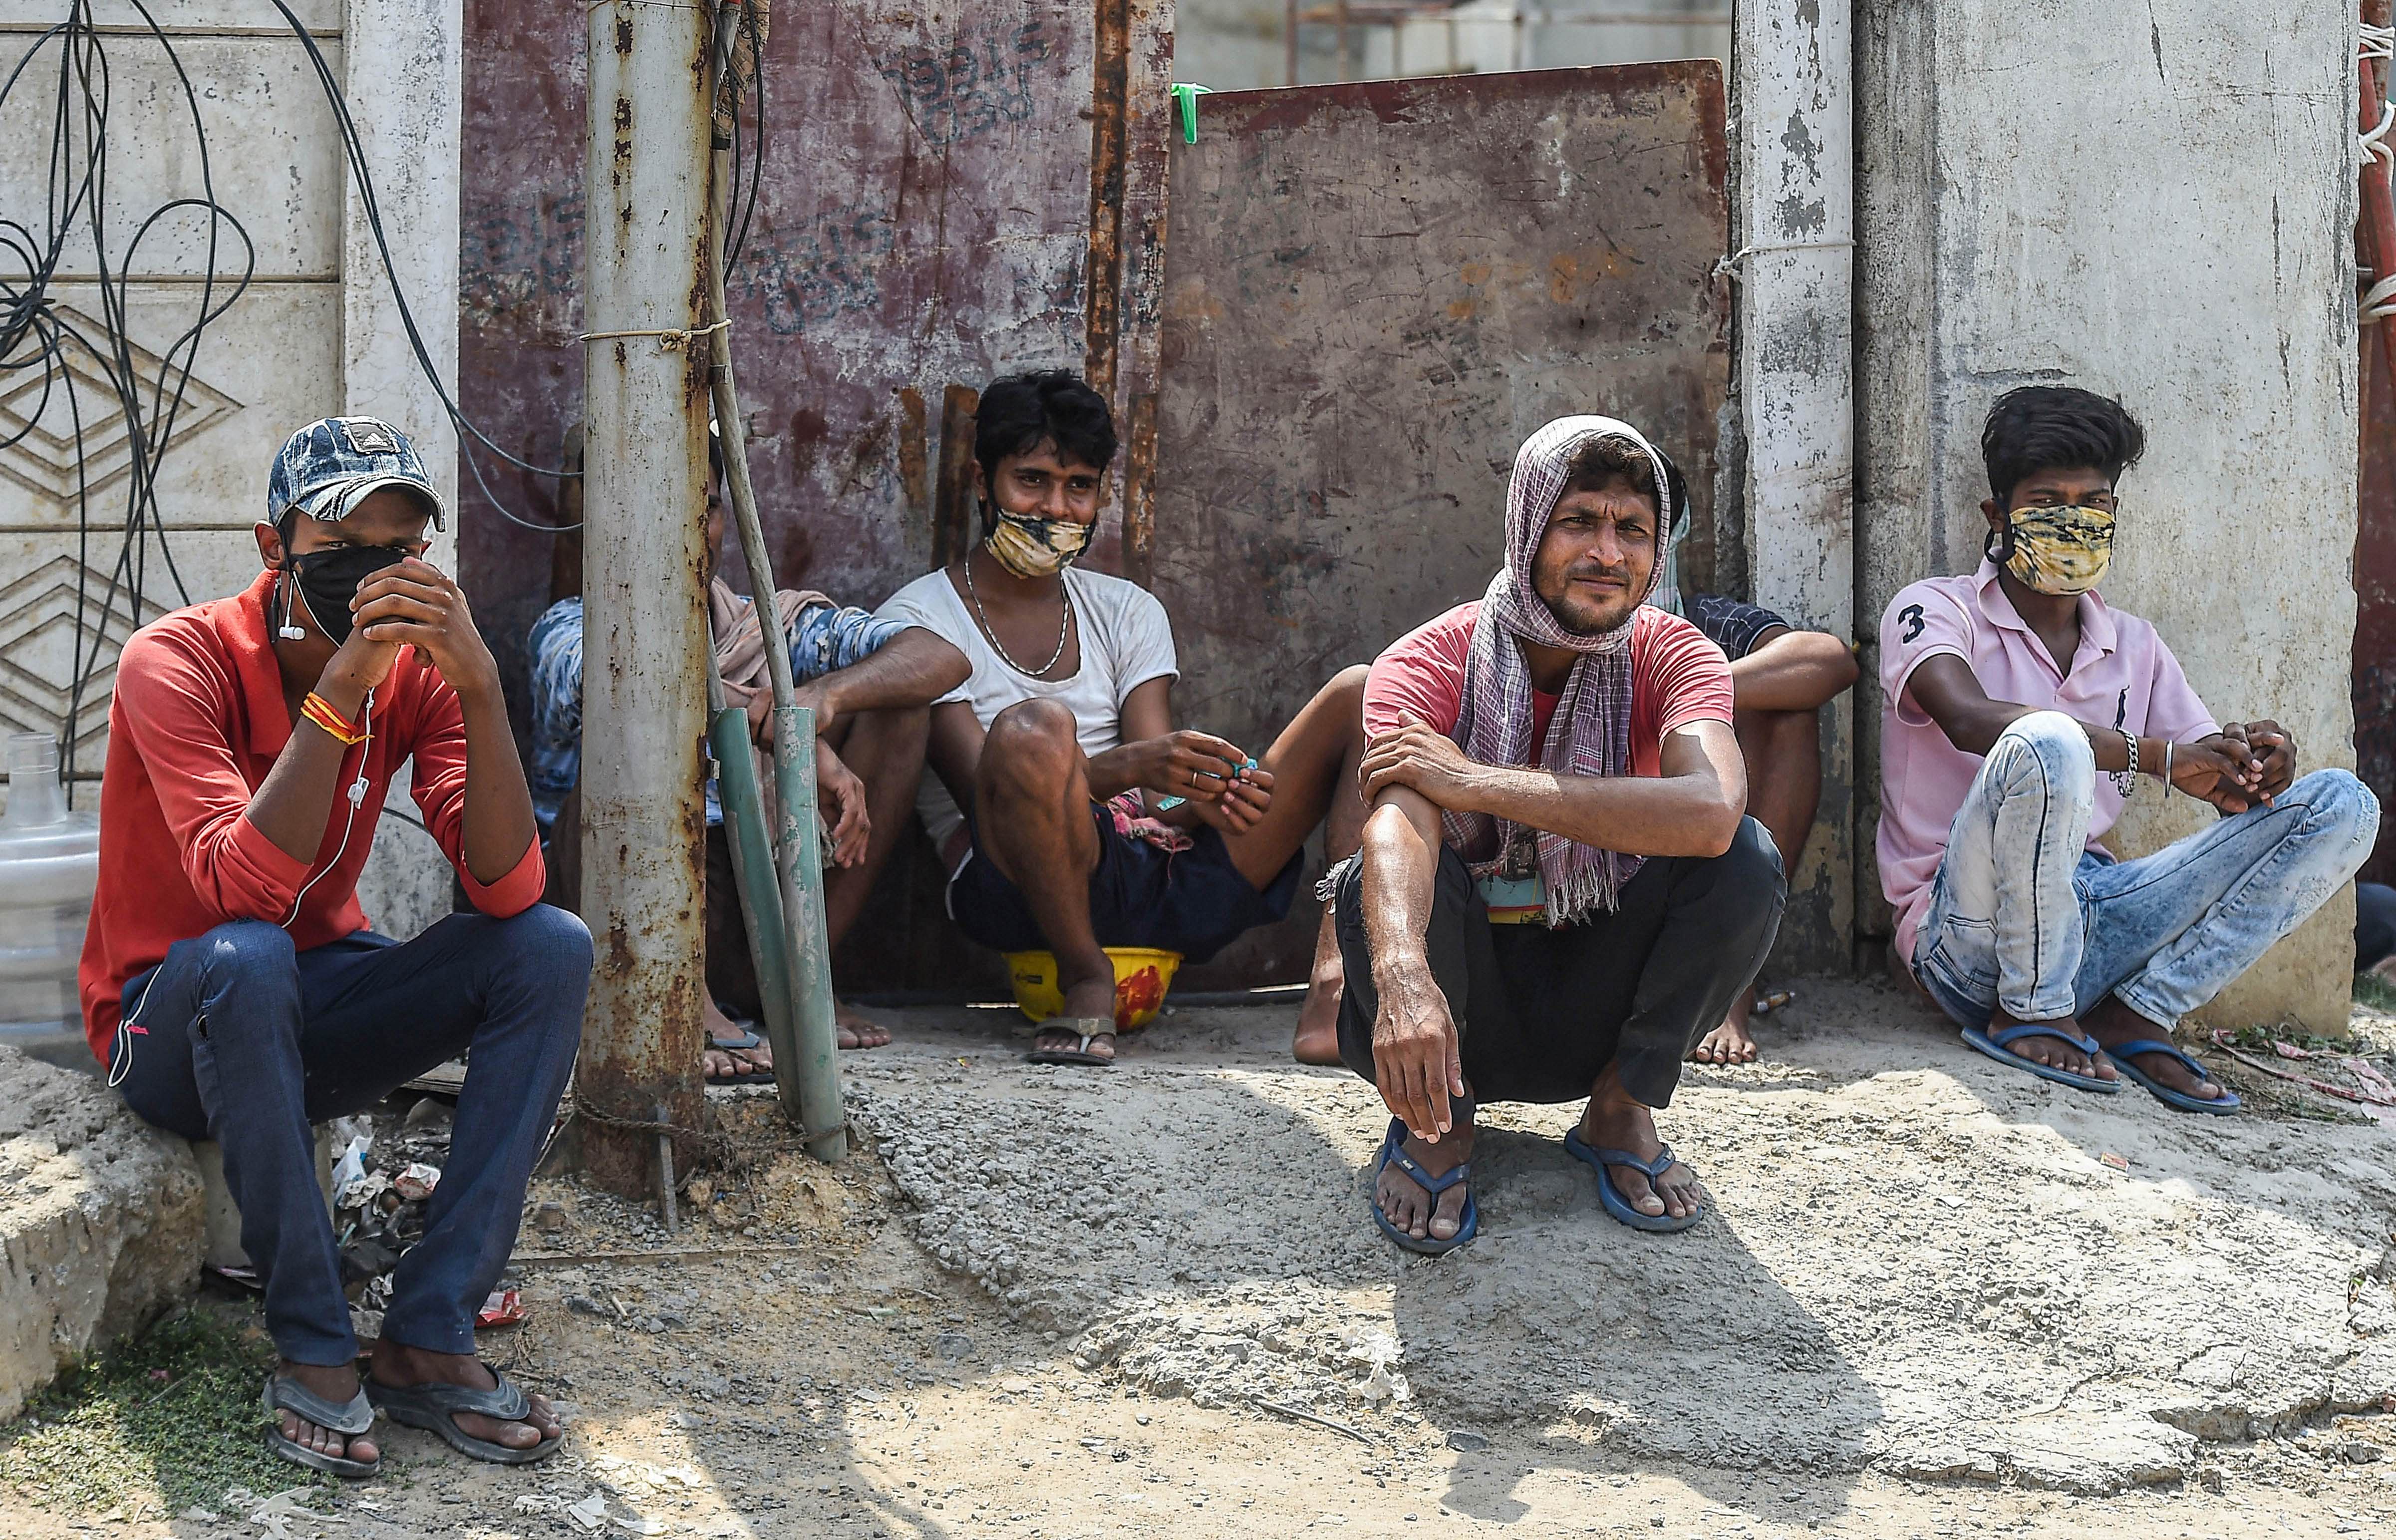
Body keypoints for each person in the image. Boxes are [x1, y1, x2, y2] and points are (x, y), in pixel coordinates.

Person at [81, 418, 589, 1475]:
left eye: (401, 553)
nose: (378, 579)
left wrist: (481, 685)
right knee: (248, 956)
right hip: (167, 1018)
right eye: (346, 552)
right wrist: (343, 687)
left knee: (549, 946)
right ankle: (313, 1347)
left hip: (310, 1000)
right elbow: (241, 891)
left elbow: (508, 884)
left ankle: (429, 1331)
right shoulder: (175, 661)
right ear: (276, 551)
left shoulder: (425, 673)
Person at [1330, 415, 1786, 1253]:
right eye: (1580, 521)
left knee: (1747, 859)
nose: (1609, 553)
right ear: (1529, 527)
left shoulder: (1673, 653)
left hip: (1595, 989)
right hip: (1459, 1008)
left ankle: (1621, 1107)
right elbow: (1400, 824)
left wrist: (1478, 781)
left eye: (1634, 531)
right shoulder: (1433, 658)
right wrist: (1401, 981)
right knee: (1375, 876)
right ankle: (1439, 1127)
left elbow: (1711, 810)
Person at [1880, 385, 2378, 1113]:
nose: (2075, 520)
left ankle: (2139, 1012)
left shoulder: (2135, 644)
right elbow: (1966, 718)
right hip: (1964, 935)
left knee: (2343, 804)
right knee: (2044, 737)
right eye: (2049, 499)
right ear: (1999, 516)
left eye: (2095, 502)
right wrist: (2155, 757)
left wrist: (2250, 766)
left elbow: (2202, 764)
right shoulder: (1935, 608)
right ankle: (2028, 1008)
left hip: (2095, 919)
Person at [877, 370, 1370, 1066]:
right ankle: (1087, 974)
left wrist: (1204, 795)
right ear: (983, 483)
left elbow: (1156, 806)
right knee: (1032, 729)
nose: (1056, 508)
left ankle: (1333, 990)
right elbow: (985, 799)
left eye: (1079, 486)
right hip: (1018, 885)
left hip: (1146, 864)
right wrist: (1133, 767)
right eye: (1033, 481)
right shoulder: (920, 619)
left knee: (1360, 690)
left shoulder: (1126, 609)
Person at [527, 428, 969, 1078]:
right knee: (627, 748)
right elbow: (621, 688)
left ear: (720, 521)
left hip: (753, 898)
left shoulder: (763, 627)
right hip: (620, 906)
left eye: (700, 506)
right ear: (606, 516)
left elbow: (941, 656)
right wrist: (788, 736)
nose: (681, 526)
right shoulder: (570, 625)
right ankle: (682, 1006)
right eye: (654, 504)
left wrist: (822, 701)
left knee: (900, 705)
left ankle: (799, 979)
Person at [1650, 570, 1857, 1062]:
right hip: (1590, 875)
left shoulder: (1700, 619)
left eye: (1634, 526)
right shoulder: (1540, 624)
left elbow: (1829, 660)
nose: (1609, 549)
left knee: (1789, 707)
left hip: (1695, 860)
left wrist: (1681, 694)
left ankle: (1731, 985)